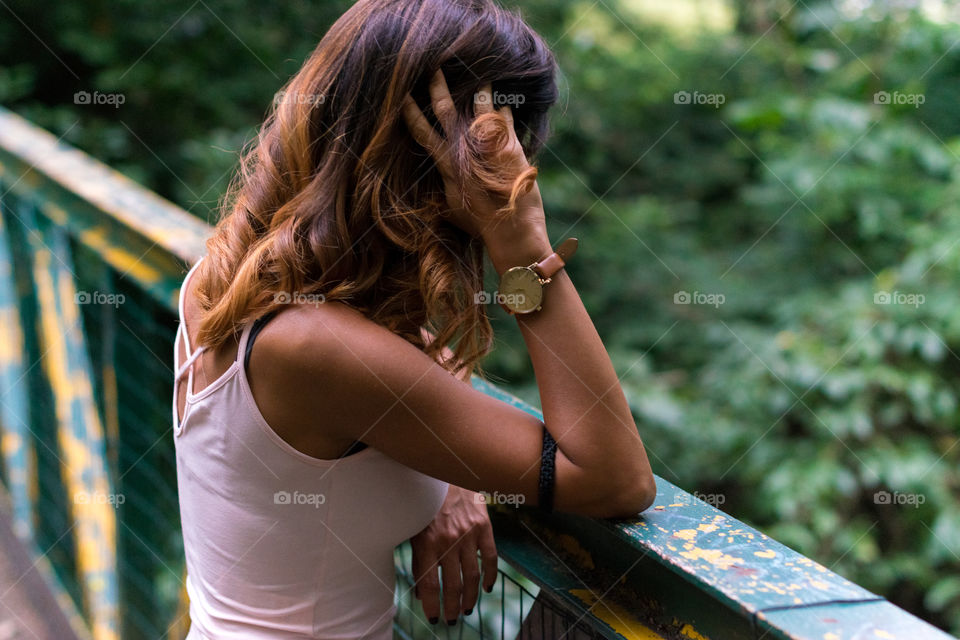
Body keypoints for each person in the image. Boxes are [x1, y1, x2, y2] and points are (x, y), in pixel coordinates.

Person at [172, 0, 657, 637]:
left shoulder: (232, 275)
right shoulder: (317, 345)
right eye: (511, 146)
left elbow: (415, 373)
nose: (522, 168)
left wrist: (451, 475)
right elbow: (616, 479)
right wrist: (523, 250)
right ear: (438, 154)